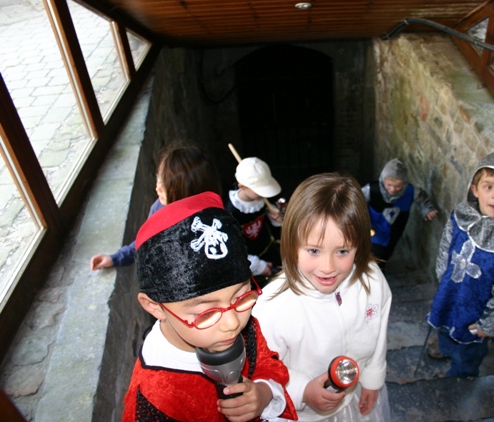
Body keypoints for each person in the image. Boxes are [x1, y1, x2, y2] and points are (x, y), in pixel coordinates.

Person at [122, 191, 297, 422]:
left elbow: (267, 363)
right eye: (205, 312)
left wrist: (264, 393)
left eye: (242, 296)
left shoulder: (240, 324)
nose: (233, 322)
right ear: (155, 307)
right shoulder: (154, 400)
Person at [252, 173, 392, 421]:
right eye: (314, 250)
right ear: (292, 241)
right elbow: (262, 368)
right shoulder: (273, 305)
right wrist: (302, 390)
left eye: (342, 251)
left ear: (359, 244)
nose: (328, 267)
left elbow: (379, 330)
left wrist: (373, 378)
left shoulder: (372, 280)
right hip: (304, 413)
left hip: (354, 396)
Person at [427, 146, 494, 378]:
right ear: (475, 189)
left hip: (476, 309)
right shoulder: (461, 215)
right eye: (488, 187)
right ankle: (445, 348)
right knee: (445, 323)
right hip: (451, 291)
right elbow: (446, 246)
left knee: (468, 349)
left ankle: (461, 375)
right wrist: (442, 276)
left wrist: (487, 325)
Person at [90, 142, 221, 270]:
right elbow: (145, 241)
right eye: (158, 179)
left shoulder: (210, 220)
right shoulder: (158, 208)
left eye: (165, 186)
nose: (157, 188)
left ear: (186, 193)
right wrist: (115, 258)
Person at [361, 158, 438, 270]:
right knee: (374, 253)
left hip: (394, 230)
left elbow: (423, 199)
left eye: (398, 186)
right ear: (383, 180)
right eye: (389, 185)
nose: (392, 190)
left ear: (405, 183)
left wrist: (427, 210)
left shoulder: (410, 191)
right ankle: (371, 276)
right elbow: (355, 201)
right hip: (373, 228)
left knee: (387, 252)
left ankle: (380, 269)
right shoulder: (371, 189)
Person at [226, 157, 283, 285]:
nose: (264, 195)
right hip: (250, 263)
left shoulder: (261, 200)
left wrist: (276, 220)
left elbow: (266, 227)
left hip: (268, 251)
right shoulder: (229, 212)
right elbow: (233, 250)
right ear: (242, 186)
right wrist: (258, 266)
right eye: (259, 191)